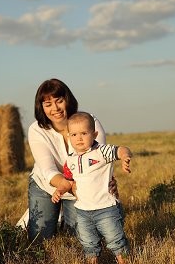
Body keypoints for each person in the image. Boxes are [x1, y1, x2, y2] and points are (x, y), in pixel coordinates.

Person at [25, 78, 117, 242]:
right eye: (48, 104)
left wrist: (107, 183)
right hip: (46, 186)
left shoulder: (90, 122)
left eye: (59, 101)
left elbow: (100, 160)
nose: (55, 108)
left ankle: (63, 219)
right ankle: (54, 217)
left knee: (84, 240)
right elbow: (48, 170)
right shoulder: (36, 130)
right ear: (42, 107)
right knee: (39, 240)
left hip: (82, 187)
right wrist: (67, 186)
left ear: (67, 100)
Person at [51, 112, 132, 264]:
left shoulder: (101, 151)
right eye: (74, 134)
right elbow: (68, 181)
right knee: (88, 242)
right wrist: (59, 190)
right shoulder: (71, 160)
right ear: (69, 137)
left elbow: (121, 149)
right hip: (82, 211)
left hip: (106, 208)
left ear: (94, 134)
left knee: (115, 239)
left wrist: (124, 158)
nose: (79, 138)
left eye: (84, 133)